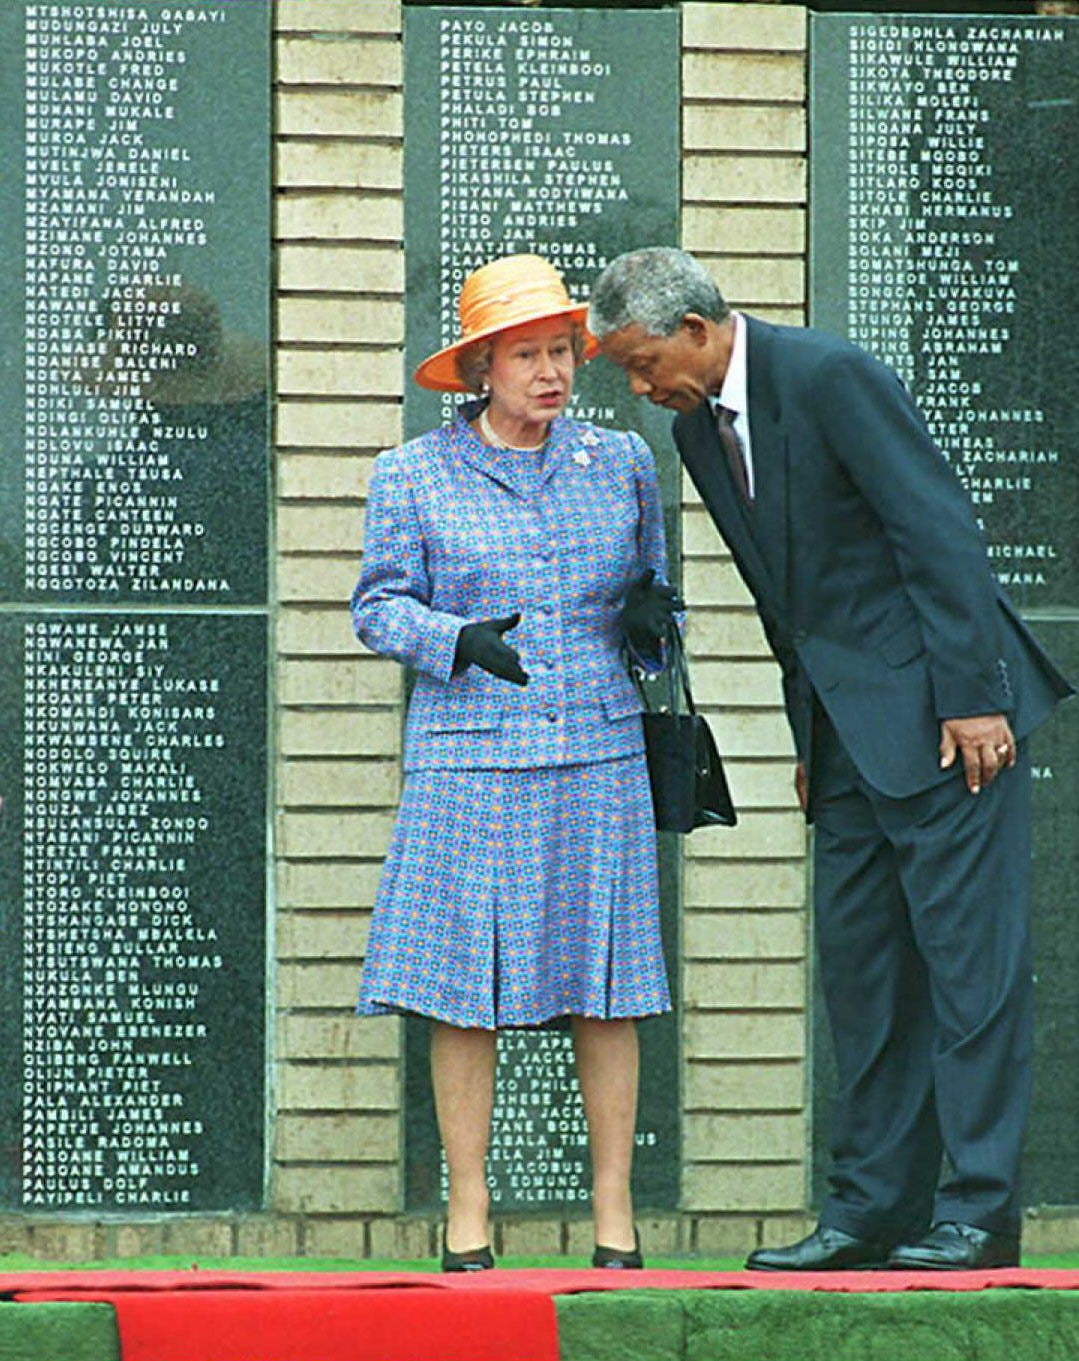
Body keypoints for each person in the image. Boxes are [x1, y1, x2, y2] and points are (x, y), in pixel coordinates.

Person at [589, 246, 1074, 1272]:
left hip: (949, 726)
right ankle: (868, 1209)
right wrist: (807, 738)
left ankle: (975, 1209)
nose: (638, 388)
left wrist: (975, 694)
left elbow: (935, 531)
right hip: (845, 742)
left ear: (693, 328)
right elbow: (787, 602)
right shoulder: (692, 429)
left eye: (640, 363)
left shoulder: (827, 374)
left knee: (968, 977)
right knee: (862, 983)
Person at [350, 253, 679, 1272]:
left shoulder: (619, 462)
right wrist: (452, 640)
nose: (549, 372)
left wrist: (647, 625)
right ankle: (467, 1212)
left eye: (560, 352)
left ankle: (614, 1217)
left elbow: (657, 613)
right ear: (479, 366)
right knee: (463, 985)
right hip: (471, 754)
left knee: (607, 983)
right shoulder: (411, 473)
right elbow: (376, 606)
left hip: (597, 747)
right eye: (526, 354)